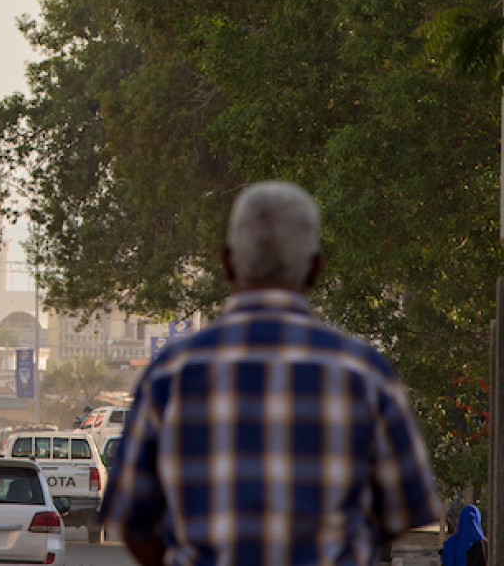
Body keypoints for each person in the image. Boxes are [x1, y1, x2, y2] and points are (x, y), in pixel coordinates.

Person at [100, 182, 441, 566]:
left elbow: (133, 521)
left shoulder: (169, 376)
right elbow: (404, 509)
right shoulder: (365, 374)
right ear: (315, 269)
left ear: (227, 262)